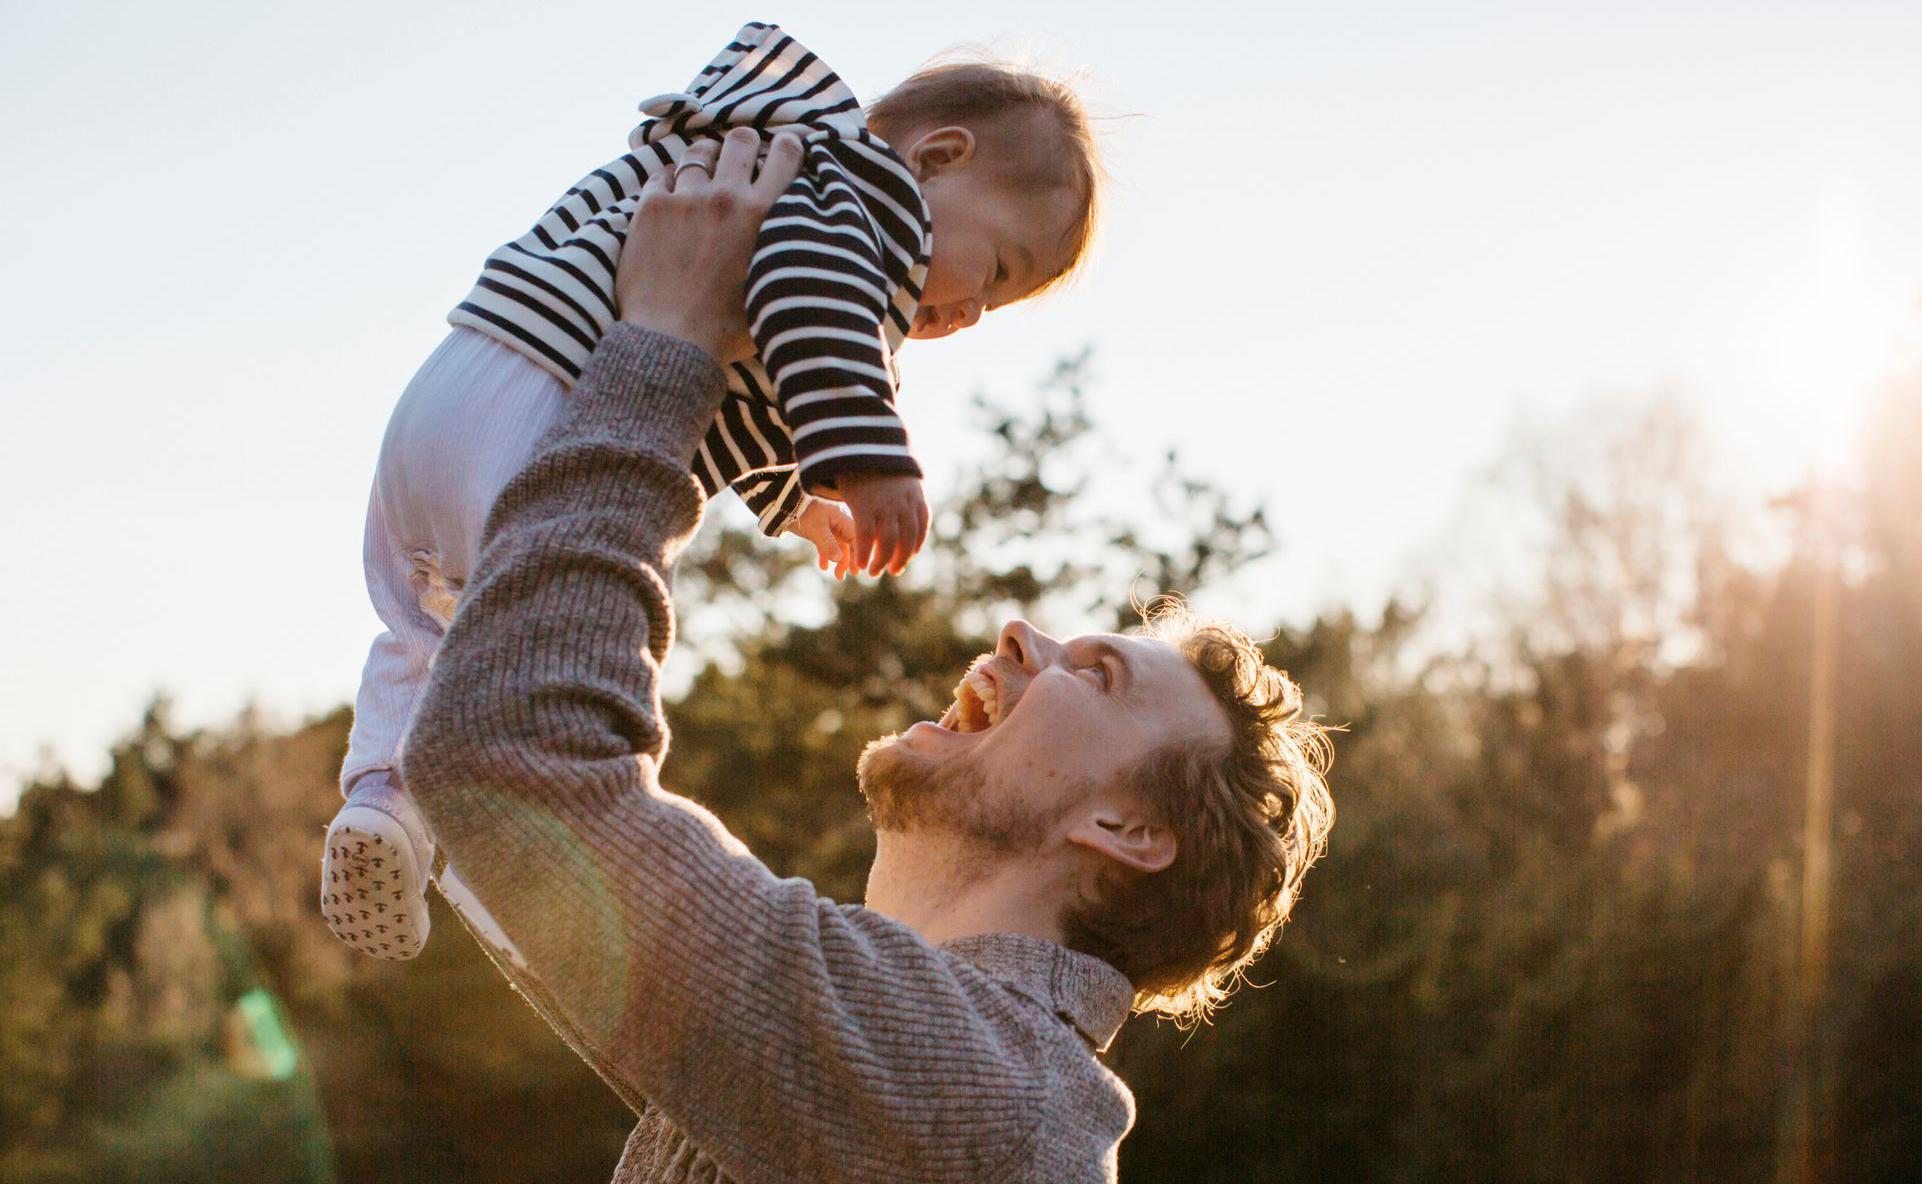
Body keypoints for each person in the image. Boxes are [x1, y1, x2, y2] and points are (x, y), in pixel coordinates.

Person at [395, 131, 1336, 1181]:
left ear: (1125, 827)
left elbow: (511, 760)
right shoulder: (925, 1080)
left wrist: (667, 344)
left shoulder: (978, 1093)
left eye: (1098, 673)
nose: (1021, 634)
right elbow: (519, 837)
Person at [324, 20, 1102, 960]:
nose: (972, 312)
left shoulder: (766, 162)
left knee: (431, 635)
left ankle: (379, 809)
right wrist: (870, 458)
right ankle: (551, 891)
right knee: (581, 647)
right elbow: (805, 297)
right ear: (938, 158)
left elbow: (742, 394)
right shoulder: (865, 198)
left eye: (998, 307)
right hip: (556, 405)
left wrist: (790, 502)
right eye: (999, 268)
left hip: (453, 392)